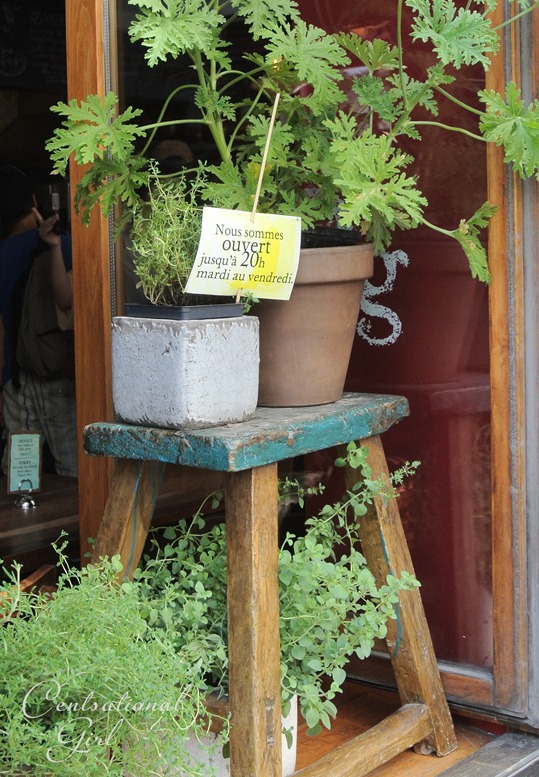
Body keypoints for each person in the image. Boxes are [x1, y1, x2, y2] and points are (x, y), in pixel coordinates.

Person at [0, 165, 77, 478]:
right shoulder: (70, 246)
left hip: (17, 384)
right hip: (63, 378)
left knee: (21, 478)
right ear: (34, 202)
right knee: (76, 474)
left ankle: (25, 523)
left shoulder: (2, 256)